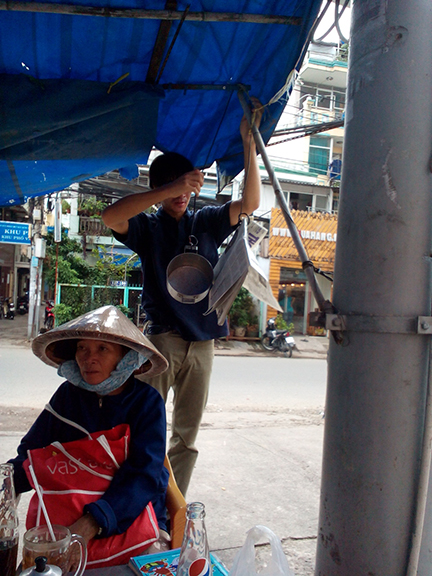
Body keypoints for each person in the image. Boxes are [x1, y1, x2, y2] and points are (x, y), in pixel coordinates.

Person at [102, 102, 263, 496]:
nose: (183, 196)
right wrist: (170, 187)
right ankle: (140, 504)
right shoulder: (147, 227)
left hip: (203, 344)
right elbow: (111, 216)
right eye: (175, 188)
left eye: (187, 186)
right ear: (161, 190)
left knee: (186, 438)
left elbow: (252, 204)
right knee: (147, 429)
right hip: (161, 342)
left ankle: (172, 508)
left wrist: (248, 144)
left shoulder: (204, 221)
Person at [8, 305, 171, 567]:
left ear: (125, 358)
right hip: (69, 514)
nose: (88, 358)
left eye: (102, 349)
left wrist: (92, 523)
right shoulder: (67, 396)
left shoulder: (147, 402)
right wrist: (7, 485)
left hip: (134, 513)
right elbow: (31, 456)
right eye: (82, 348)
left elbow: (144, 475)